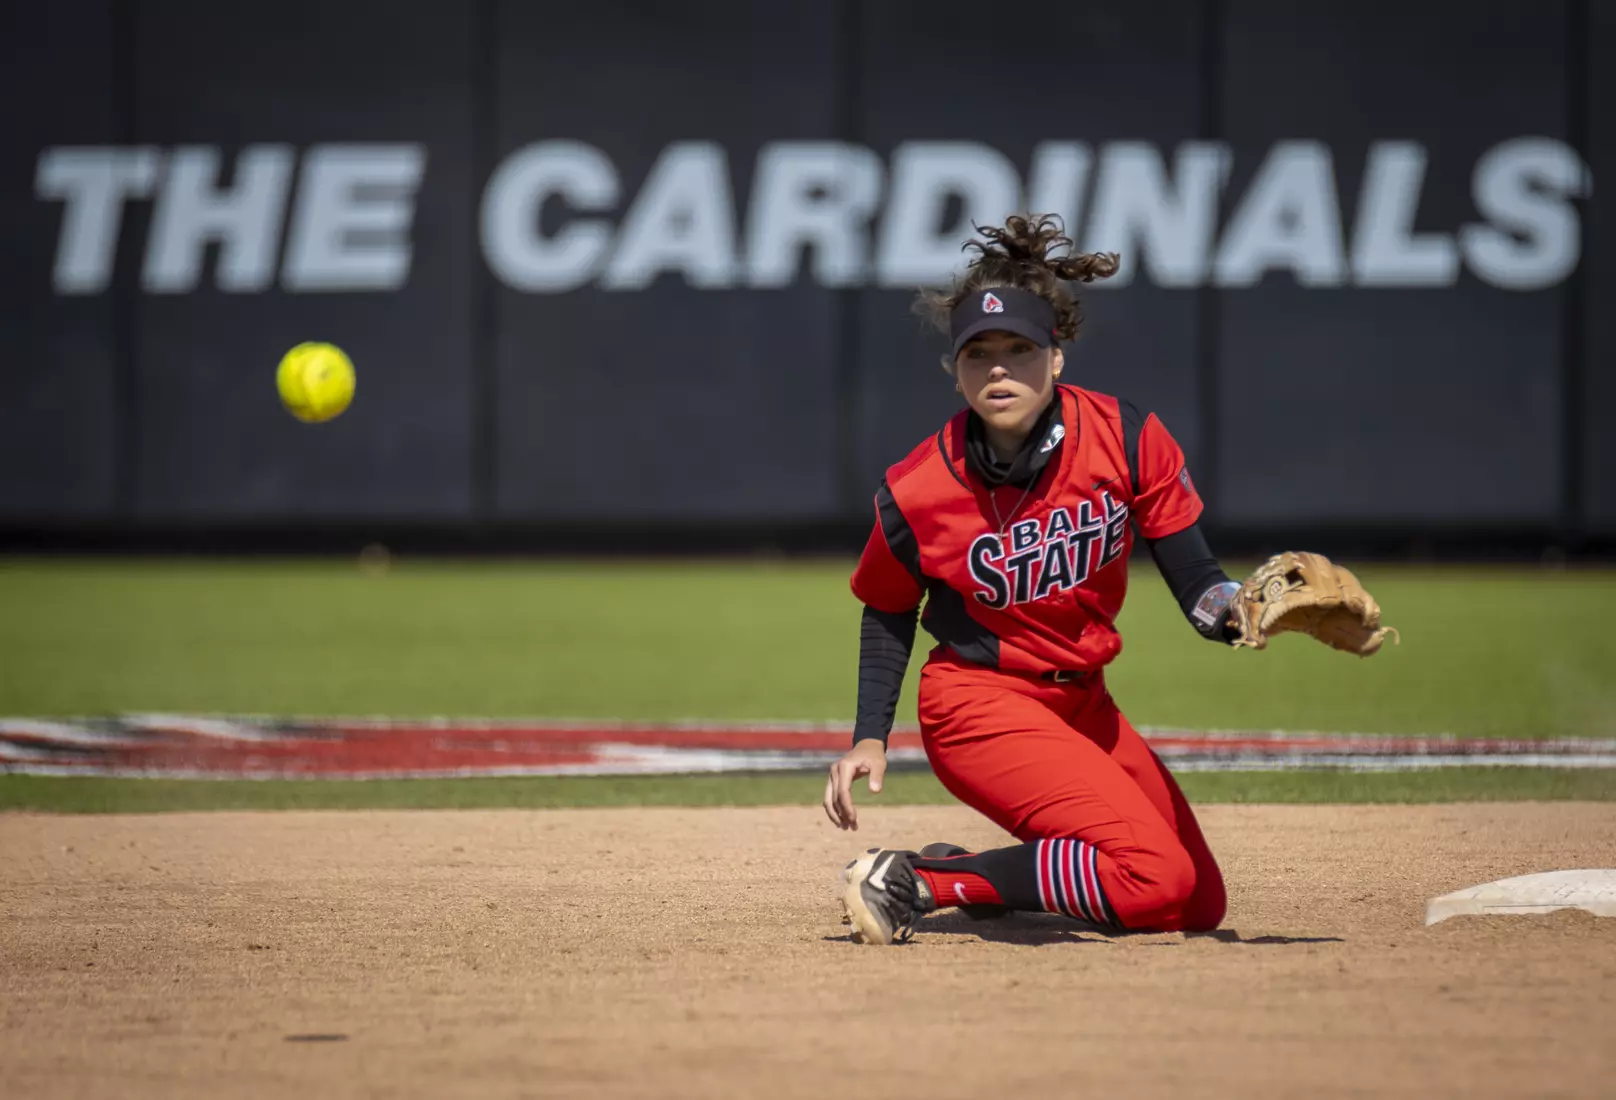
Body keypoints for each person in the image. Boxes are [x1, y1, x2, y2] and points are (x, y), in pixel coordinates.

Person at [824, 213, 1241, 945]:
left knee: (1193, 904)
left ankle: (983, 873)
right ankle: (916, 881)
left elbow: (1198, 580)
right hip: (979, 709)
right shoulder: (919, 488)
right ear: (954, 370)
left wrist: (1240, 613)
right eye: (977, 352)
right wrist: (869, 737)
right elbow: (888, 609)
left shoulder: (1127, 437)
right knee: (1152, 877)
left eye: (1019, 349)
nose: (997, 369)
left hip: (1086, 705)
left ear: (1057, 358)